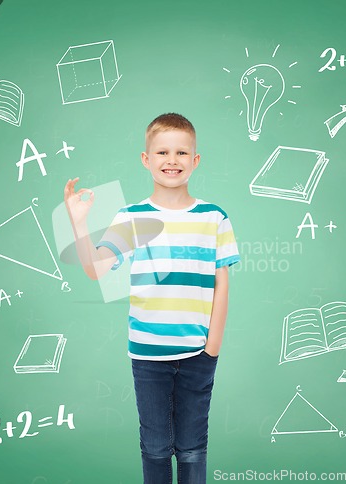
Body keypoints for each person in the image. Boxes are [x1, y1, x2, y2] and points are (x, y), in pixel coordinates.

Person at [64, 113, 240, 484]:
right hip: (147, 354)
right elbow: (96, 269)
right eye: (162, 152)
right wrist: (78, 222)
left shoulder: (214, 217)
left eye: (181, 152)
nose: (171, 160)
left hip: (198, 353)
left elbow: (221, 282)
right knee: (156, 448)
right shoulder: (131, 218)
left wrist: (213, 346)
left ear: (195, 160)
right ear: (146, 160)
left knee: (192, 447)